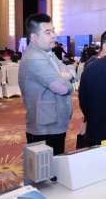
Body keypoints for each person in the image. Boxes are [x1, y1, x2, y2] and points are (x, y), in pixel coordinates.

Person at [18, 13, 73, 156]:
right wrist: (68, 80)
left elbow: (70, 70)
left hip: (53, 122)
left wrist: (68, 76)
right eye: (47, 32)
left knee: (56, 163)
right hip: (45, 126)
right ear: (34, 37)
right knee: (45, 167)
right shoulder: (34, 58)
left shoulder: (48, 53)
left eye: (53, 31)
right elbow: (63, 88)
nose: (53, 35)